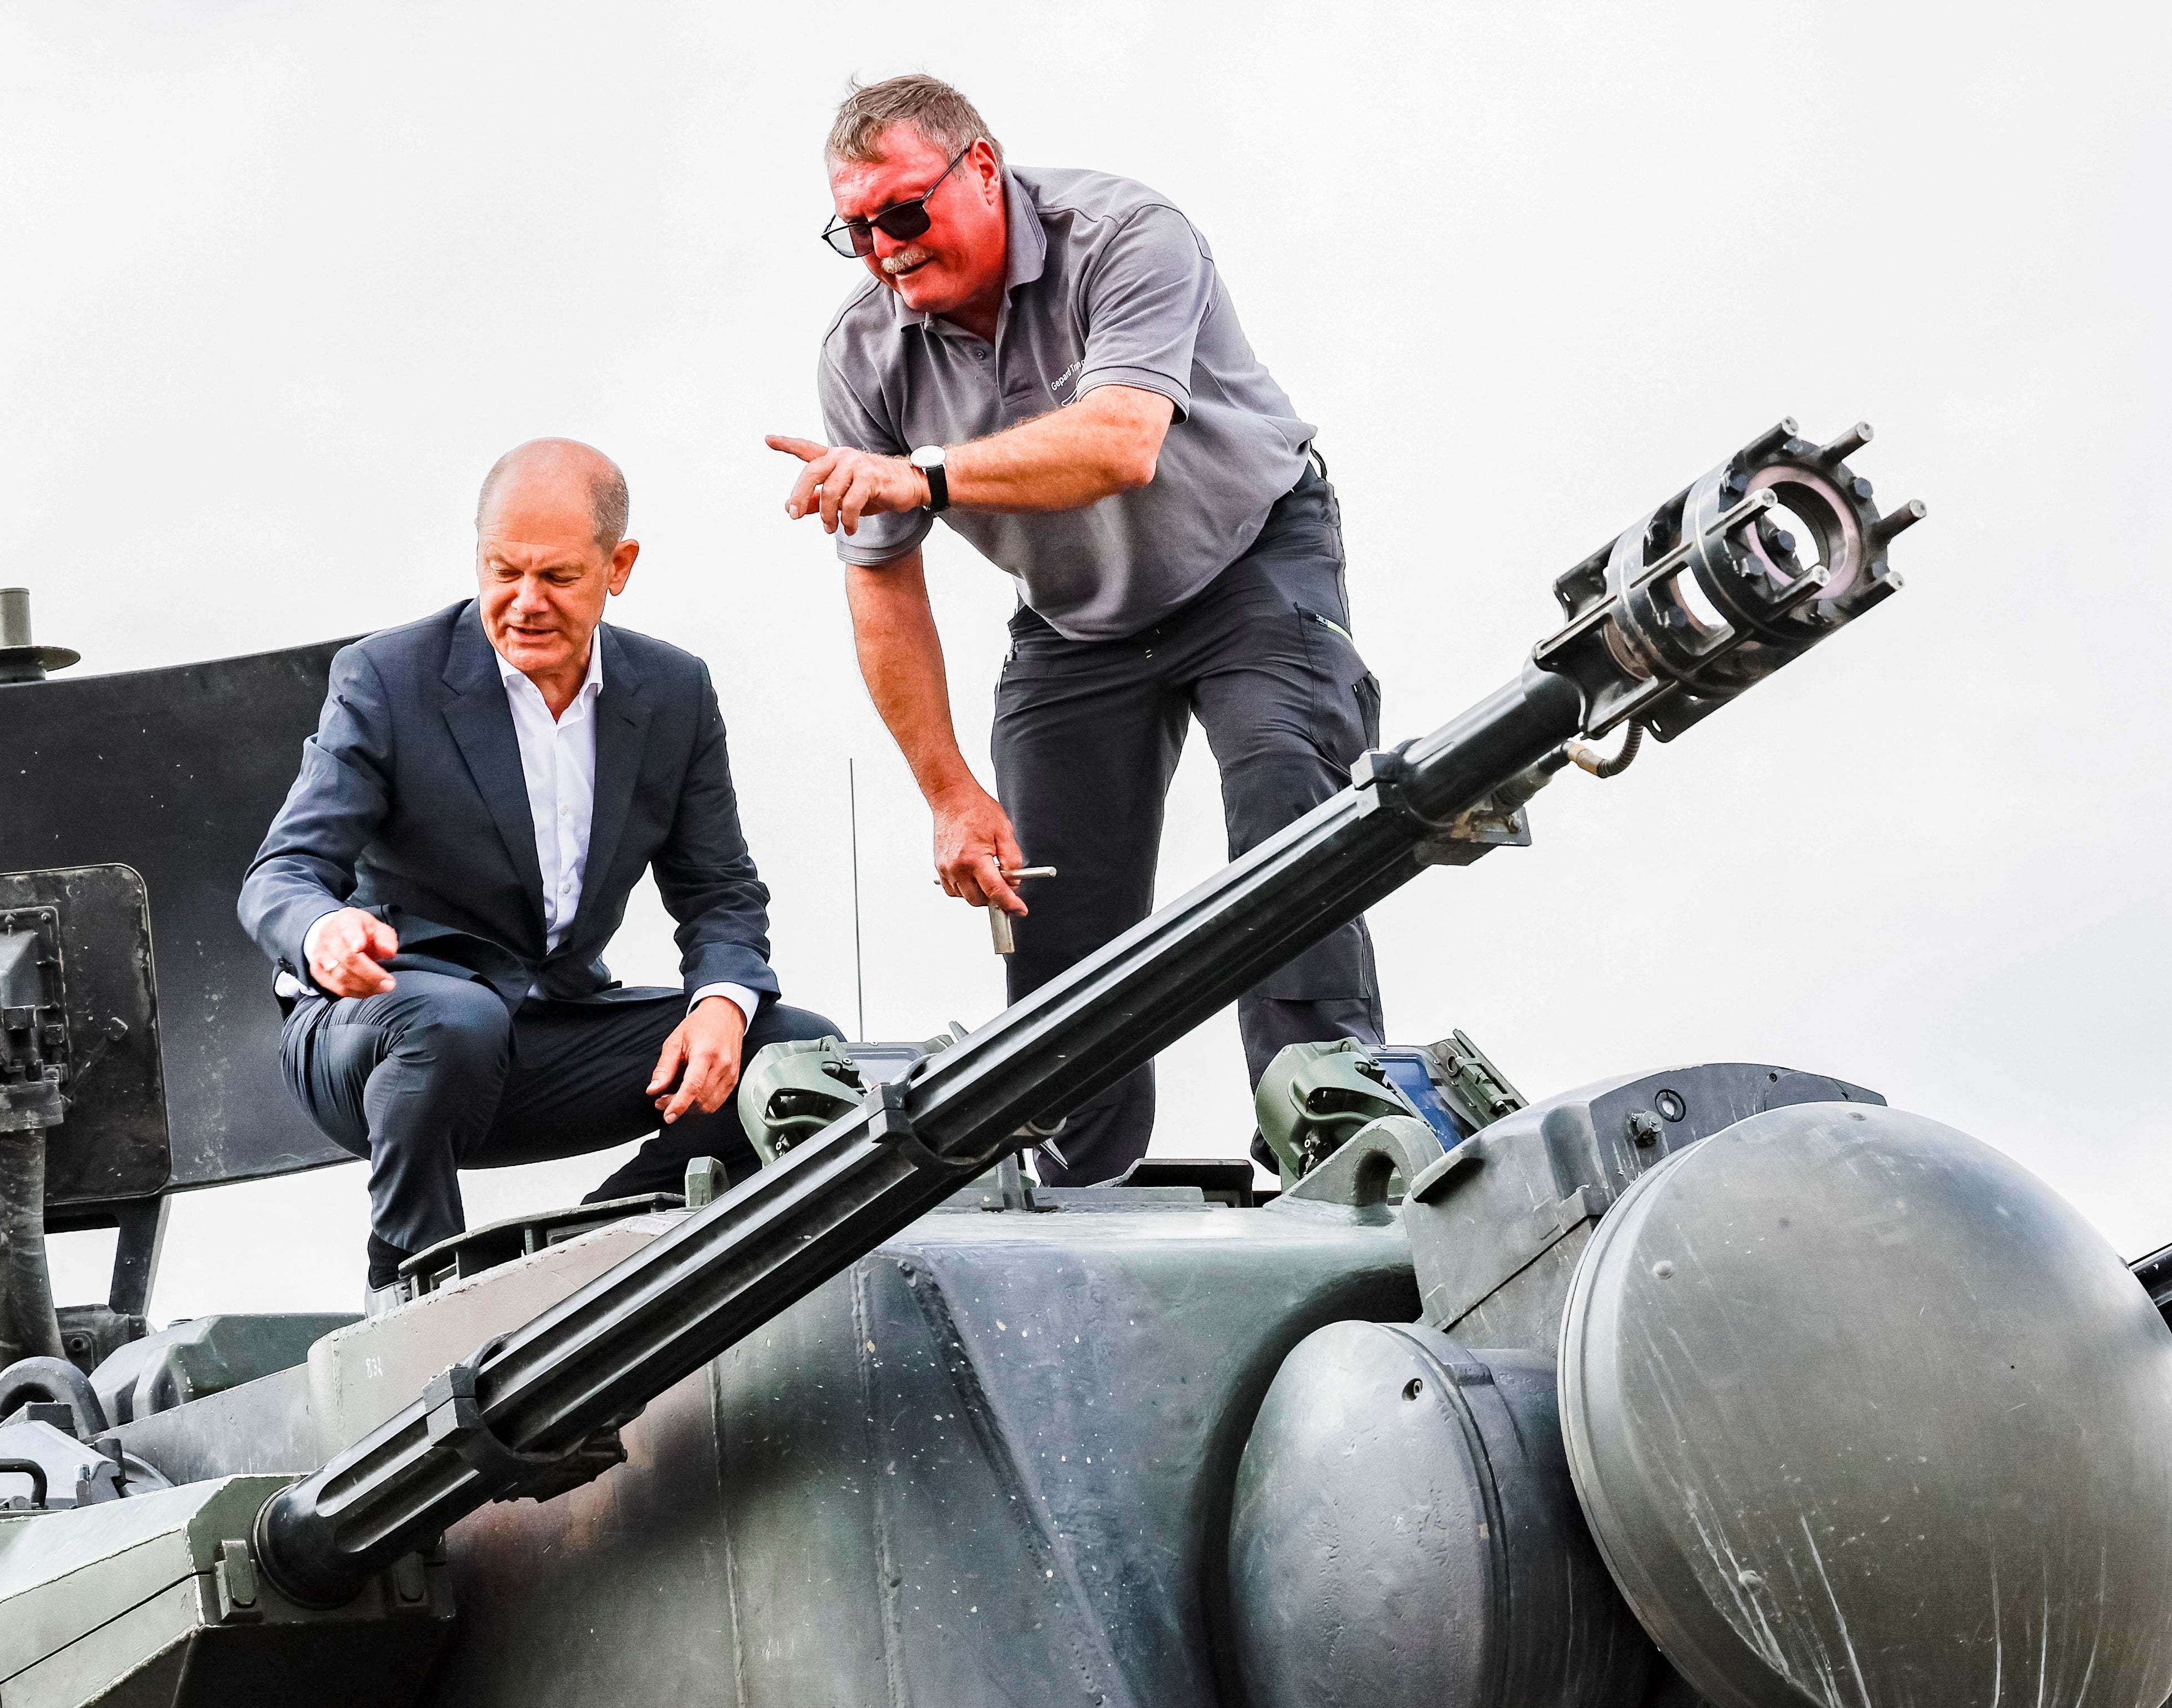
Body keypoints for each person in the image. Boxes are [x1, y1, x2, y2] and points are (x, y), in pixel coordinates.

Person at [770, 74, 1382, 1184]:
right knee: (1046, 911)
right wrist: (950, 790)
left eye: (905, 213)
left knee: (1287, 810)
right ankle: (1077, 1189)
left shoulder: (1128, 237)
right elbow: (883, 587)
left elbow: (1119, 443)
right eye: (854, 230)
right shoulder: (861, 355)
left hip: (1251, 565)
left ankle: (1331, 1148)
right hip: (1074, 621)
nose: (885, 250)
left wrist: (923, 475)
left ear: (985, 171)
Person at [241, 439, 836, 1288]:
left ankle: (585, 1261)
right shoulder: (385, 676)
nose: (524, 603)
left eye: (556, 577)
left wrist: (721, 1005)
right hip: (375, 1036)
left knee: (796, 1050)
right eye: (501, 572)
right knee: (452, 1021)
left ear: (617, 566)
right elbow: (282, 873)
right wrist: (322, 930)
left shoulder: (673, 693)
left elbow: (720, 891)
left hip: (544, 1031)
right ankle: (415, 1284)